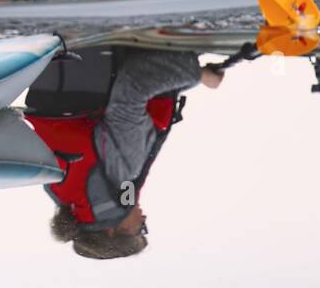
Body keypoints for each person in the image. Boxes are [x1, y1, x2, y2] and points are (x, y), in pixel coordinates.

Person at [26, 46, 225, 259]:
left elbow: (135, 84)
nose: (144, 219)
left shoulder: (121, 175)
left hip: (122, 50)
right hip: (67, 61)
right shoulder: (64, 192)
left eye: (140, 229)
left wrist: (199, 75)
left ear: (112, 229)